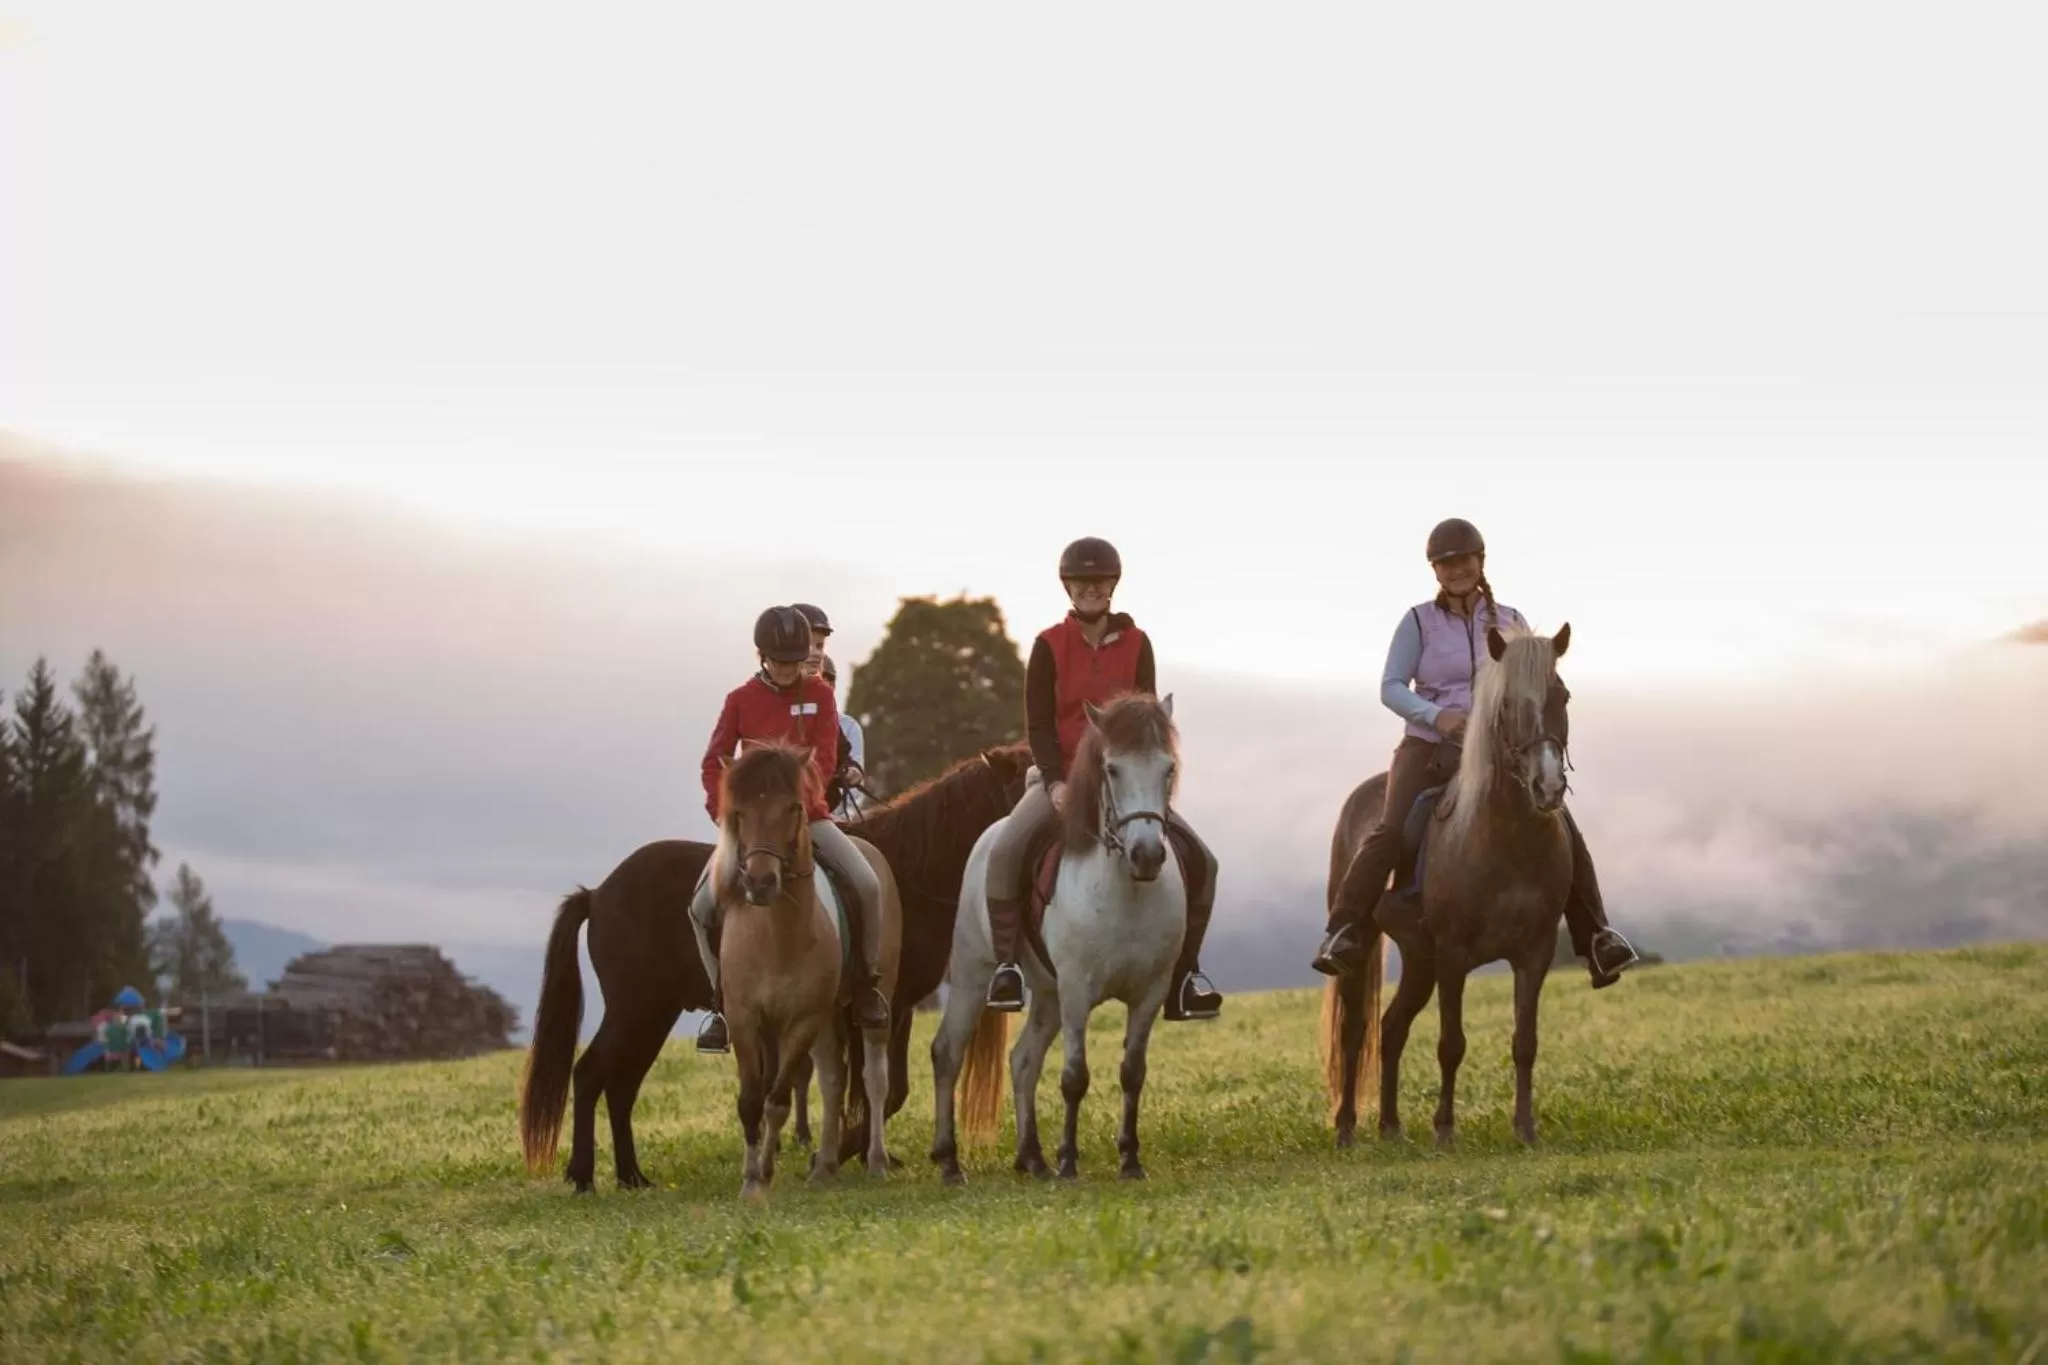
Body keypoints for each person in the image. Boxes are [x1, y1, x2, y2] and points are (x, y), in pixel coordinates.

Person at [1311, 518, 1640, 986]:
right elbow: (1390, 686)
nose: (1455, 570)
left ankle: (1597, 938)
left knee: (1561, 822)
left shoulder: (1511, 620)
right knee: (1391, 828)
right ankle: (1343, 931)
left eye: (1463, 560)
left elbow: (1533, 685)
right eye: (1444, 564)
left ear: (1480, 561)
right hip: (1428, 745)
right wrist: (1436, 715)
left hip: (1498, 750)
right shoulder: (1418, 621)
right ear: (1435, 571)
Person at [982, 537, 1224, 1022]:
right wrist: (1055, 782)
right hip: (1061, 779)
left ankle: (1185, 975)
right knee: (1005, 851)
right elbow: (1039, 725)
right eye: (1081, 582)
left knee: (1205, 861)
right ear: (1068, 588)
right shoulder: (1048, 645)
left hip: (1126, 783)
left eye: (1099, 581)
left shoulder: (1138, 644)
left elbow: (1147, 719)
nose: (1090, 589)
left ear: (1113, 586)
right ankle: (1007, 967)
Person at [688, 605, 890, 1055]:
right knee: (700, 908)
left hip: (807, 815)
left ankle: (866, 985)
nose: (786, 670)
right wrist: (725, 814)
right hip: (751, 827)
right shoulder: (739, 700)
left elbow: (825, 758)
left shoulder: (820, 694)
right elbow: (713, 762)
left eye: (794, 661)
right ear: (762, 657)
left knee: (868, 885)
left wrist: (796, 805)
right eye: (778, 662)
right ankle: (721, 1005)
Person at [819, 653, 867, 820]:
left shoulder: (849, 727)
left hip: (835, 817)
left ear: (831, 685)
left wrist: (838, 818)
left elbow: (855, 787)